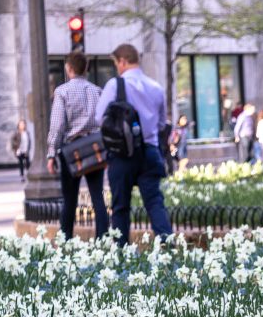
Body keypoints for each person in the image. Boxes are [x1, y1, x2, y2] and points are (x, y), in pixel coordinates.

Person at [94, 43, 173, 246]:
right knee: (155, 202)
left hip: (123, 154)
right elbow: (163, 123)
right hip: (150, 152)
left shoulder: (115, 85)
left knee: (120, 206)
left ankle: (121, 254)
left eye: (116, 63)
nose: (117, 68)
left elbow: (99, 118)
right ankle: (168, 247)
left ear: (122, 61)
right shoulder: (156, 87)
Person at [46, 49, 109, 240]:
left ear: (69, 68)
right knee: (98, 196)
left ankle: (66, 240)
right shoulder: (97, 90)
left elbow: (57, 125)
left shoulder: (62, 91)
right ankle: (103, 240)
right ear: (86, 69)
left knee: (70, 199)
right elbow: (104, 120)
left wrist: (51, 153)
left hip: (71, 150)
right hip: (94, 147)